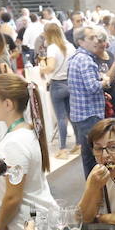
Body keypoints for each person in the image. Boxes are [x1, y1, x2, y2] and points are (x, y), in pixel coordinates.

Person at [0, 73, 59, 230]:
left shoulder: (14, 143)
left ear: (8, 104)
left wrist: (0, 224)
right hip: (36, 216)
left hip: (26, 224)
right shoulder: (27, 130)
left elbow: (13, 197)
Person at [66, 26, 115, 175]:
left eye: (96, 37)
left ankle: (92, 187)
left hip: (80, 114)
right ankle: (104, 188)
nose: (96, 40)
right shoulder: (86, 60)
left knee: (88, 155)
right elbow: (92, 87)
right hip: (90, 115)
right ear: (81, 41)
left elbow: (82, 87)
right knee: (100, 155)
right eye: (91, 38)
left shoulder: (76, 57)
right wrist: (105, 81)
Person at [39, 22, 75, 152]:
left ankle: (62, 147)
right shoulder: (70, 46)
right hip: (70, 83)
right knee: (71, 115)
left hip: (57, 84)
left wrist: (42, 68)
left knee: (61, 117)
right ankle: (79, 143)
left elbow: (51, 67)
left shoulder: (52, 48)